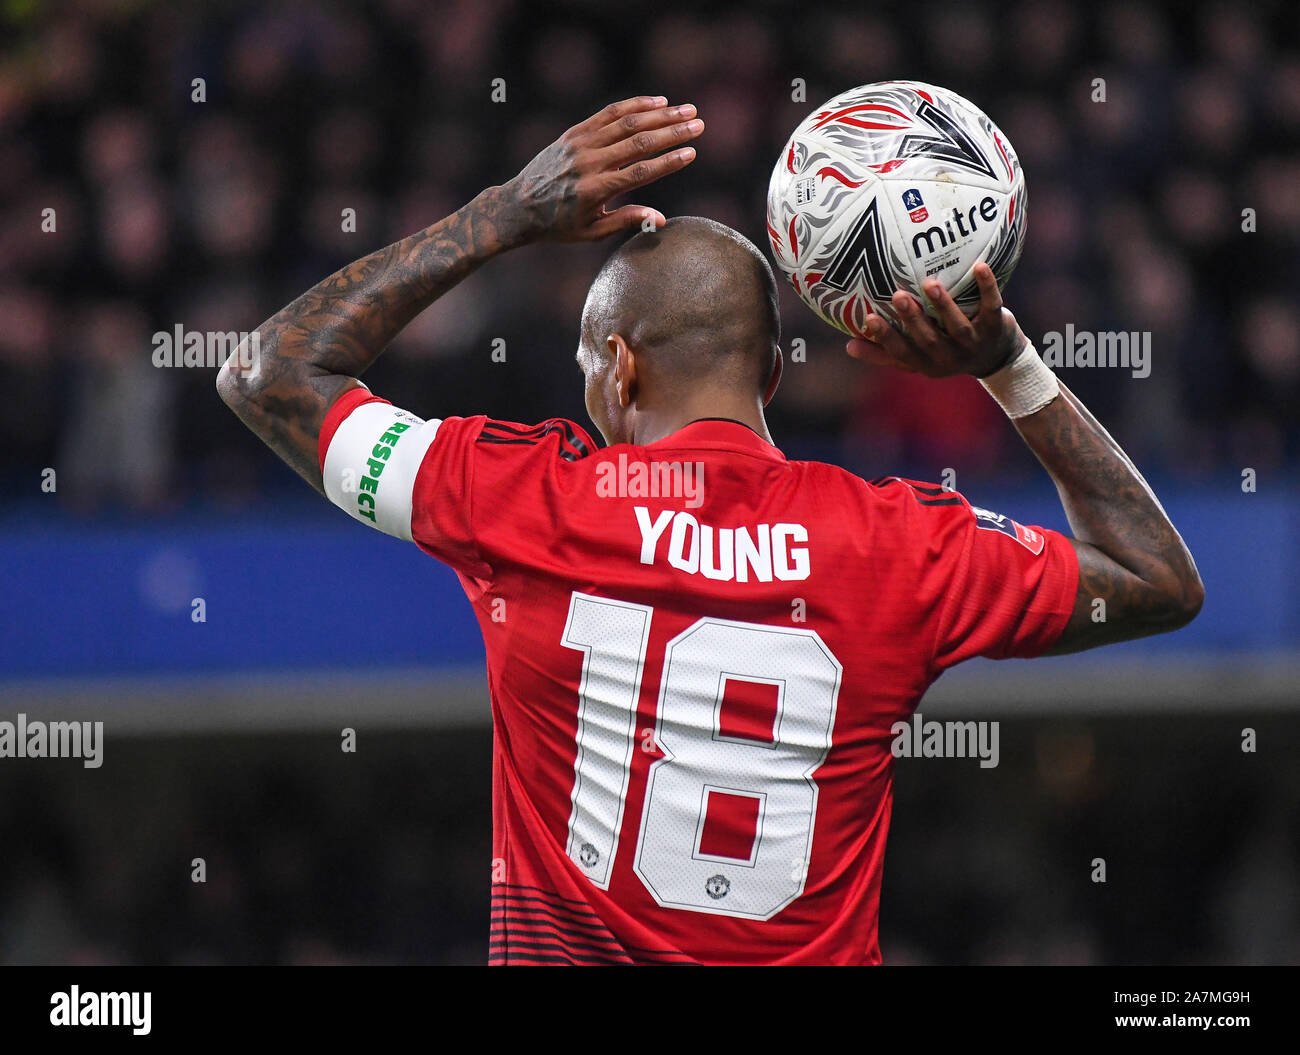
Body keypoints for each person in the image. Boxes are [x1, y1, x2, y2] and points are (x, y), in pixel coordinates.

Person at [217, 96, 1203, 965]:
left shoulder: (520, 499)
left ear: (619, 367)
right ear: (771, 377)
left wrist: (503, 215)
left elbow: (267, 374)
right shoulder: (896, 542)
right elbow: (1156, 576)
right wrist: (1005, 362)